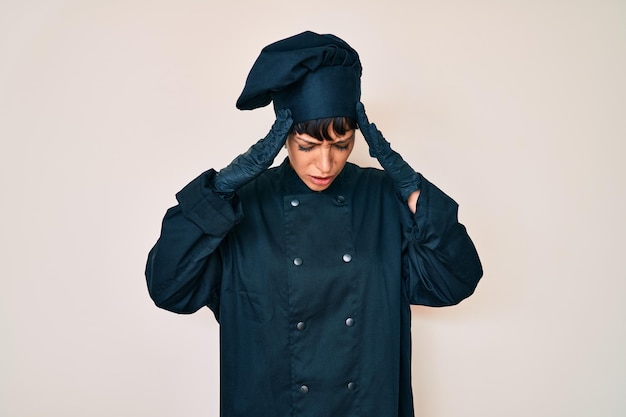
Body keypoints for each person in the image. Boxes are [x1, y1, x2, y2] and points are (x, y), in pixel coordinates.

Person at [145, 31, 482, 417]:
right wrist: (220, 188)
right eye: (308, 146)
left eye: (342, 145)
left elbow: (455, 281)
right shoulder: (241, 204)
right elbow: (168, 287)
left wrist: (412, 189)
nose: (325, 165)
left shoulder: (383, 200)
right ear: (282, 136)